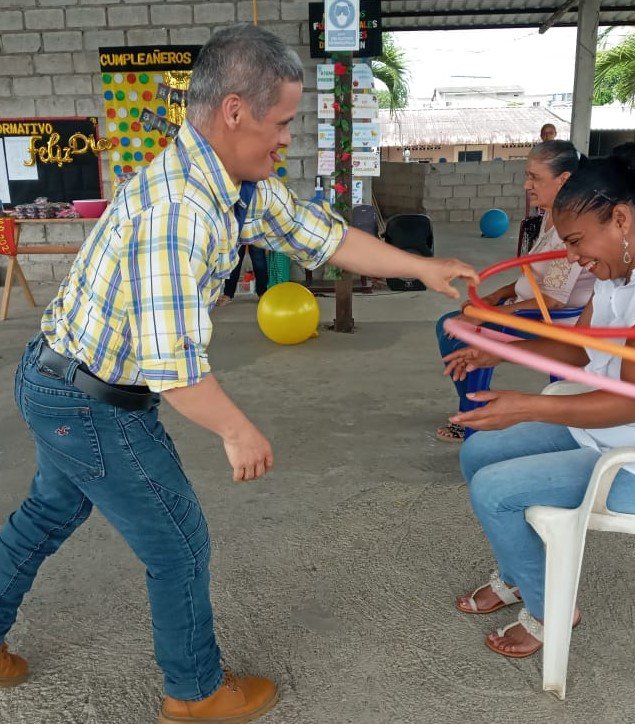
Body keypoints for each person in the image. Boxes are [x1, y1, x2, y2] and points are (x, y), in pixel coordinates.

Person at [0, 24, 478, 723]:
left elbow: (327, 236)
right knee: (178, 541)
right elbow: (172, 367)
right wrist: (236, 429)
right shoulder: (181, 211)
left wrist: (423, 266)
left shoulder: (234, 183)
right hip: (90, 399)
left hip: (62, 380)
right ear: (233, 111)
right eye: (281, 121)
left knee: (50, 509)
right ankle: (194, 696)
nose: (286, 137)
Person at [443, 142, 635, 659]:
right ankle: (522, 575)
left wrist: (526, 406)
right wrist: (499, 352)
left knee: (496, 490)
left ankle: (550, 610)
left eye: (579, 241)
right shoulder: (630, 264)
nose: (573, 258)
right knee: (477, 453)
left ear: (622, 219)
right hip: (617, 432)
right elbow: (581, 351)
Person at [435, 141, 595, 442]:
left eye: (535, 177)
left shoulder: (570, 226)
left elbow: (552, 299)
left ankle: (473, 417)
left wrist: (490, 313)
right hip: (528, 307)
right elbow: (532, 276)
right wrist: (496, 296)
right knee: (450, 324)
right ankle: (474, 402)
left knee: (465, 331)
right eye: (527, 175)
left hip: (551, 319)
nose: (526, 185)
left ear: (563, 180)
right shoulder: (550, 215)